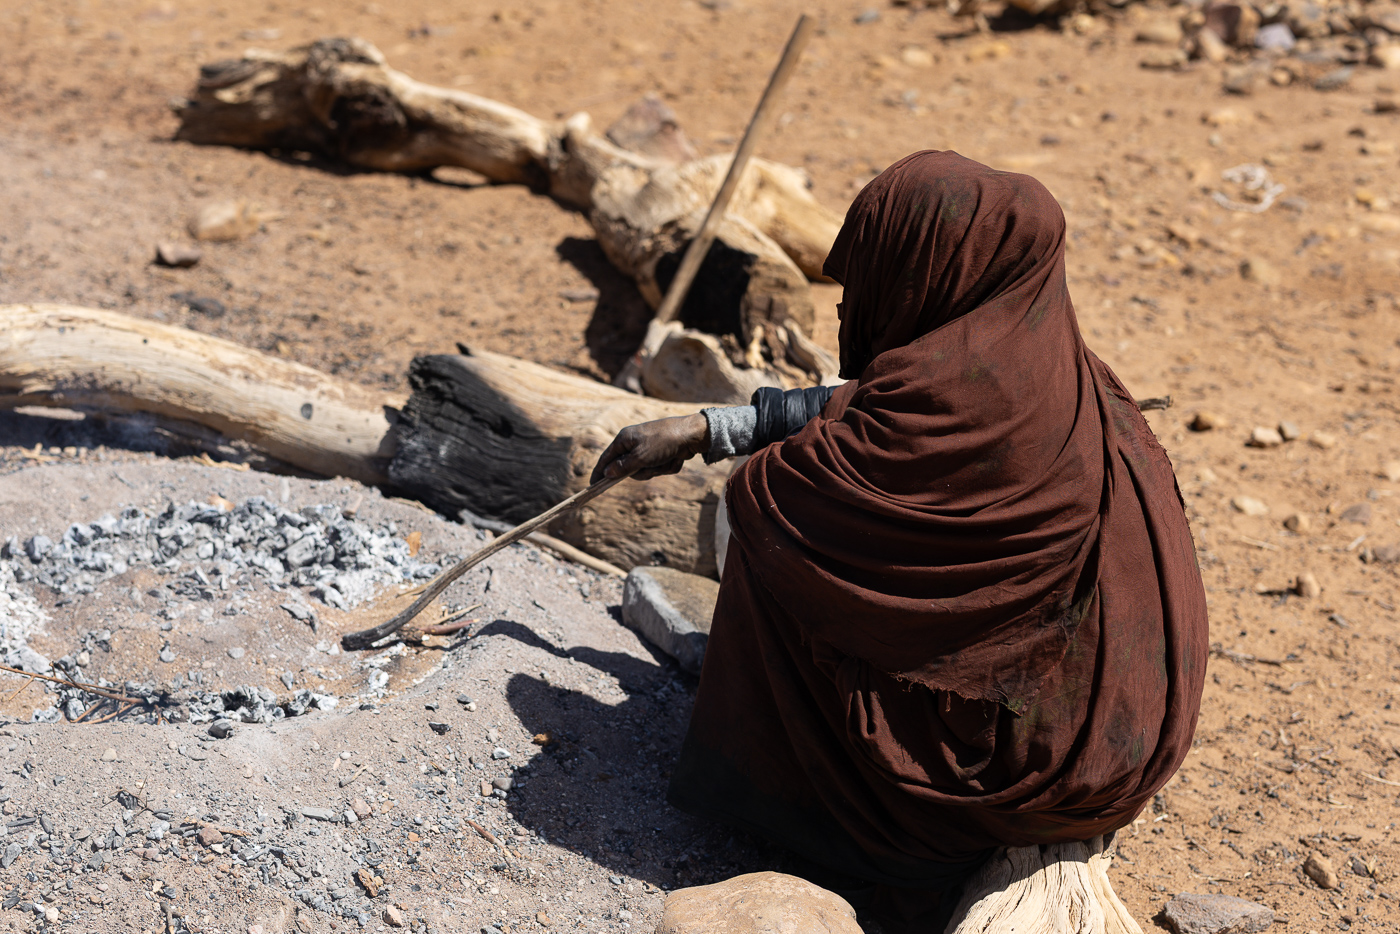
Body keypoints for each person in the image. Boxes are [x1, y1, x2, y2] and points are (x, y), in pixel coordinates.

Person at [590, 151, 1209, 930]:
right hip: (1120, 755)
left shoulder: (930, 422)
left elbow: (850, 434)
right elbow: (872, 401)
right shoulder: (1055, 372)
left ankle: (822, 811)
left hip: (1011, 786)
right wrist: (711, 426)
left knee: (766, 506)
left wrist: (739, 461)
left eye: (867, 276)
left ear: (923, 274)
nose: (854, 300)